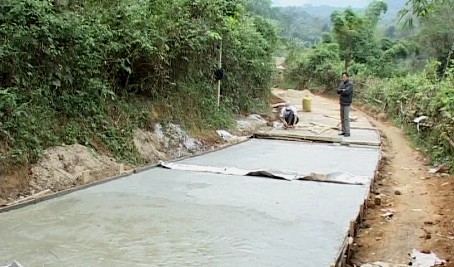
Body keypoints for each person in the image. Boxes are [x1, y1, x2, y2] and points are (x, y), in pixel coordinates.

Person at [337, 72, 354, 137]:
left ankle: (347, 131)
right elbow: (337, 91)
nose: (343, 78)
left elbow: (347, 92)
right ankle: (343, 131)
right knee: (342, 117)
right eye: (342, 77)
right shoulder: (342, 84)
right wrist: (342, 90)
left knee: (346, 118)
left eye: (344, 77)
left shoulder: (350, 84)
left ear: (347, 77)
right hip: (341, 103)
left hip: (347, 103)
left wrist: (342, 90)